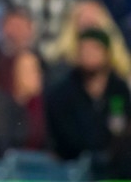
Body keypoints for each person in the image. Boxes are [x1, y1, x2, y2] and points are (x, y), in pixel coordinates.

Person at [46, 27, 131, 166]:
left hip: (114, 165)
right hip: (72, 166)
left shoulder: (118, 90)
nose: (88, 54)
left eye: (94, 49)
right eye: (83, 49)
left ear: (106, 53)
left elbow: (121, 125)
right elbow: (64, 137)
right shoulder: (63, 92)